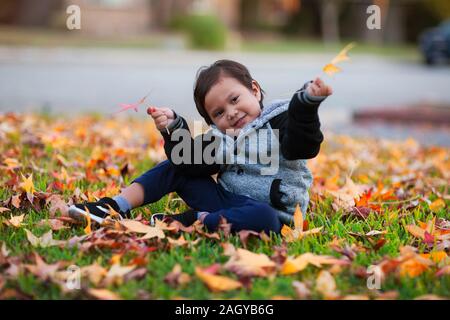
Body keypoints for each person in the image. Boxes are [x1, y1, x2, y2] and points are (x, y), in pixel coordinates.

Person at [69, 59, 332, 234]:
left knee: (263, 218)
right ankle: (113, 206)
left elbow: (303, 146)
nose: (230, 113)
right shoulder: (221, 137)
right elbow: (188, 162)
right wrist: (174, 128)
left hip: (273, 215)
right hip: (223, 201)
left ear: (254, 90)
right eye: (218, 113)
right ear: (212, 122)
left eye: (234, 99)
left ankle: (194, 220)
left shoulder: (282, 119)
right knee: (174, 167)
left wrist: (305, 107)